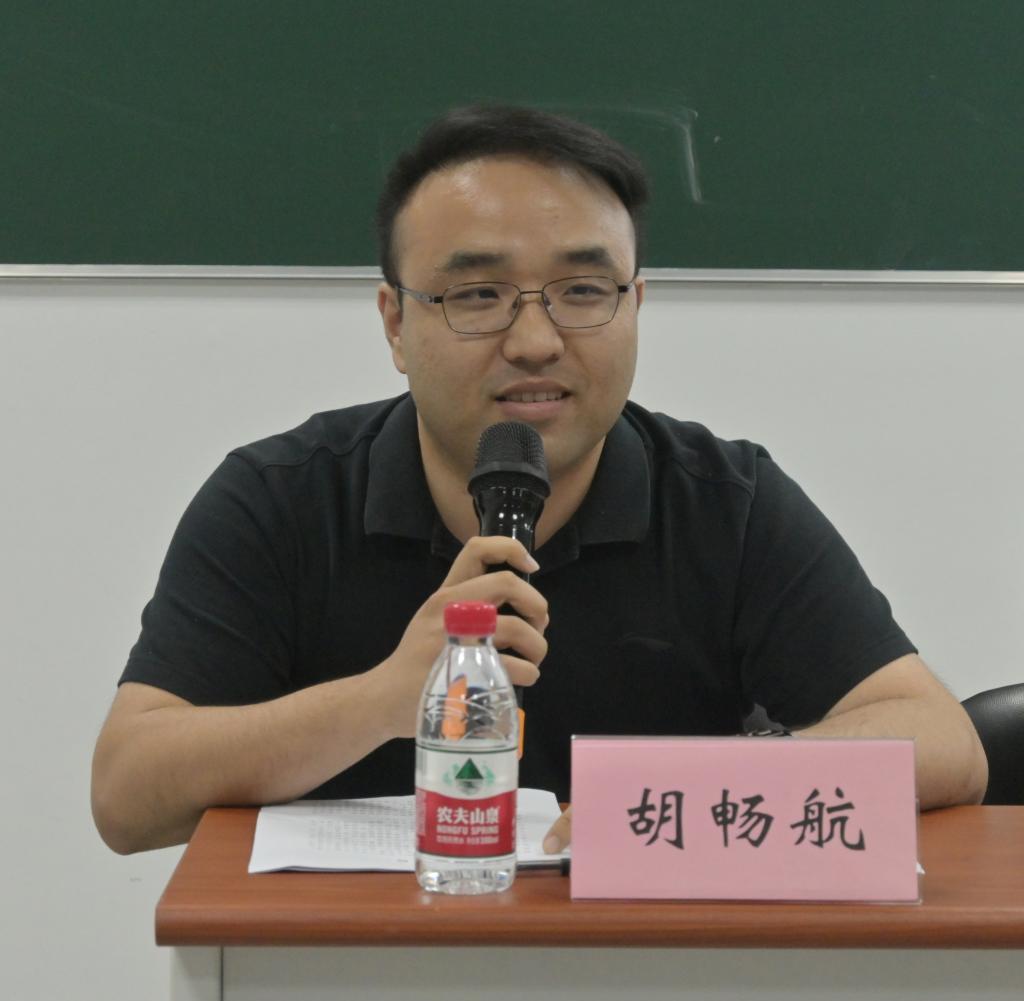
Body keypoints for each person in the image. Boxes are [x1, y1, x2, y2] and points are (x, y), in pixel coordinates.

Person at [91, 106, 987, 856]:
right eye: (477, 296)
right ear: (395, 323)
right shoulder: (279, 498)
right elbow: (128, 795)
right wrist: (382, 700)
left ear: (636, 306)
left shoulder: (727, 500)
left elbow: (944, 743)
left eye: (584, 291)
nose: (534, 341)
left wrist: (671, 792)